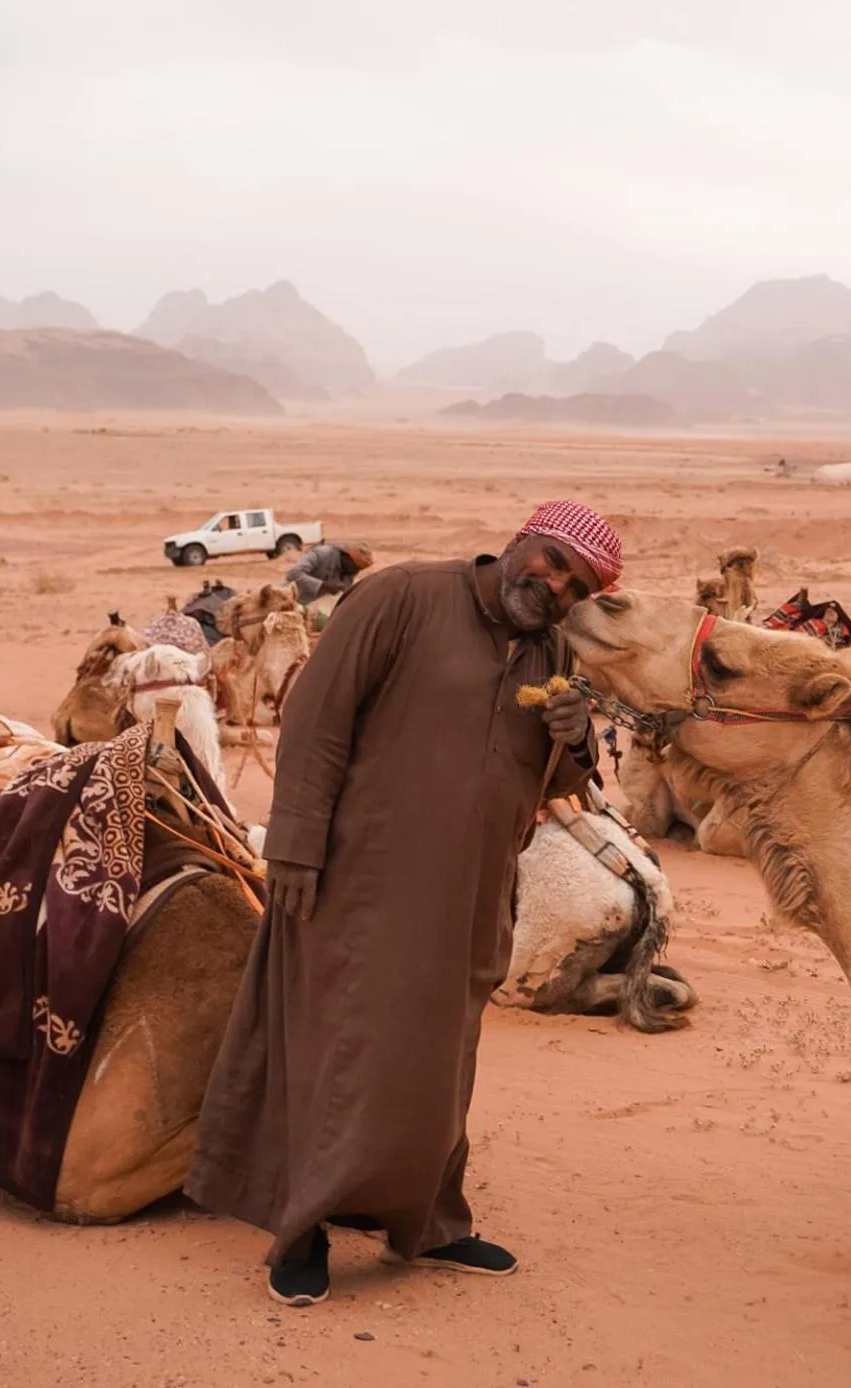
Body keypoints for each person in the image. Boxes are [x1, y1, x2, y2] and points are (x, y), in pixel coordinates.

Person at [185, 500, 623, 1305]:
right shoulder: (404, 597)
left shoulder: (550, 652)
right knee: (336, 1046)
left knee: (441, 1063)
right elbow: (316, 718)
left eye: (578, 586)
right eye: (555, 562)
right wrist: (295, 845)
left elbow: (549, 783)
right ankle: (302, 1231)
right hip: (361, 879)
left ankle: (429, 1224)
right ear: (521, 541)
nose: (557, 586)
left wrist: (576, 737)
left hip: (472, 896)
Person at [284, 540, 373, 605]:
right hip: (289, 601)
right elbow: (293, 574)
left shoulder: (349, 572)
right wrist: (323, 585)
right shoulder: (322, 553)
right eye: (354, 567)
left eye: (359, 569)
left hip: (313, 608)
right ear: (346, 557)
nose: (355, 572)